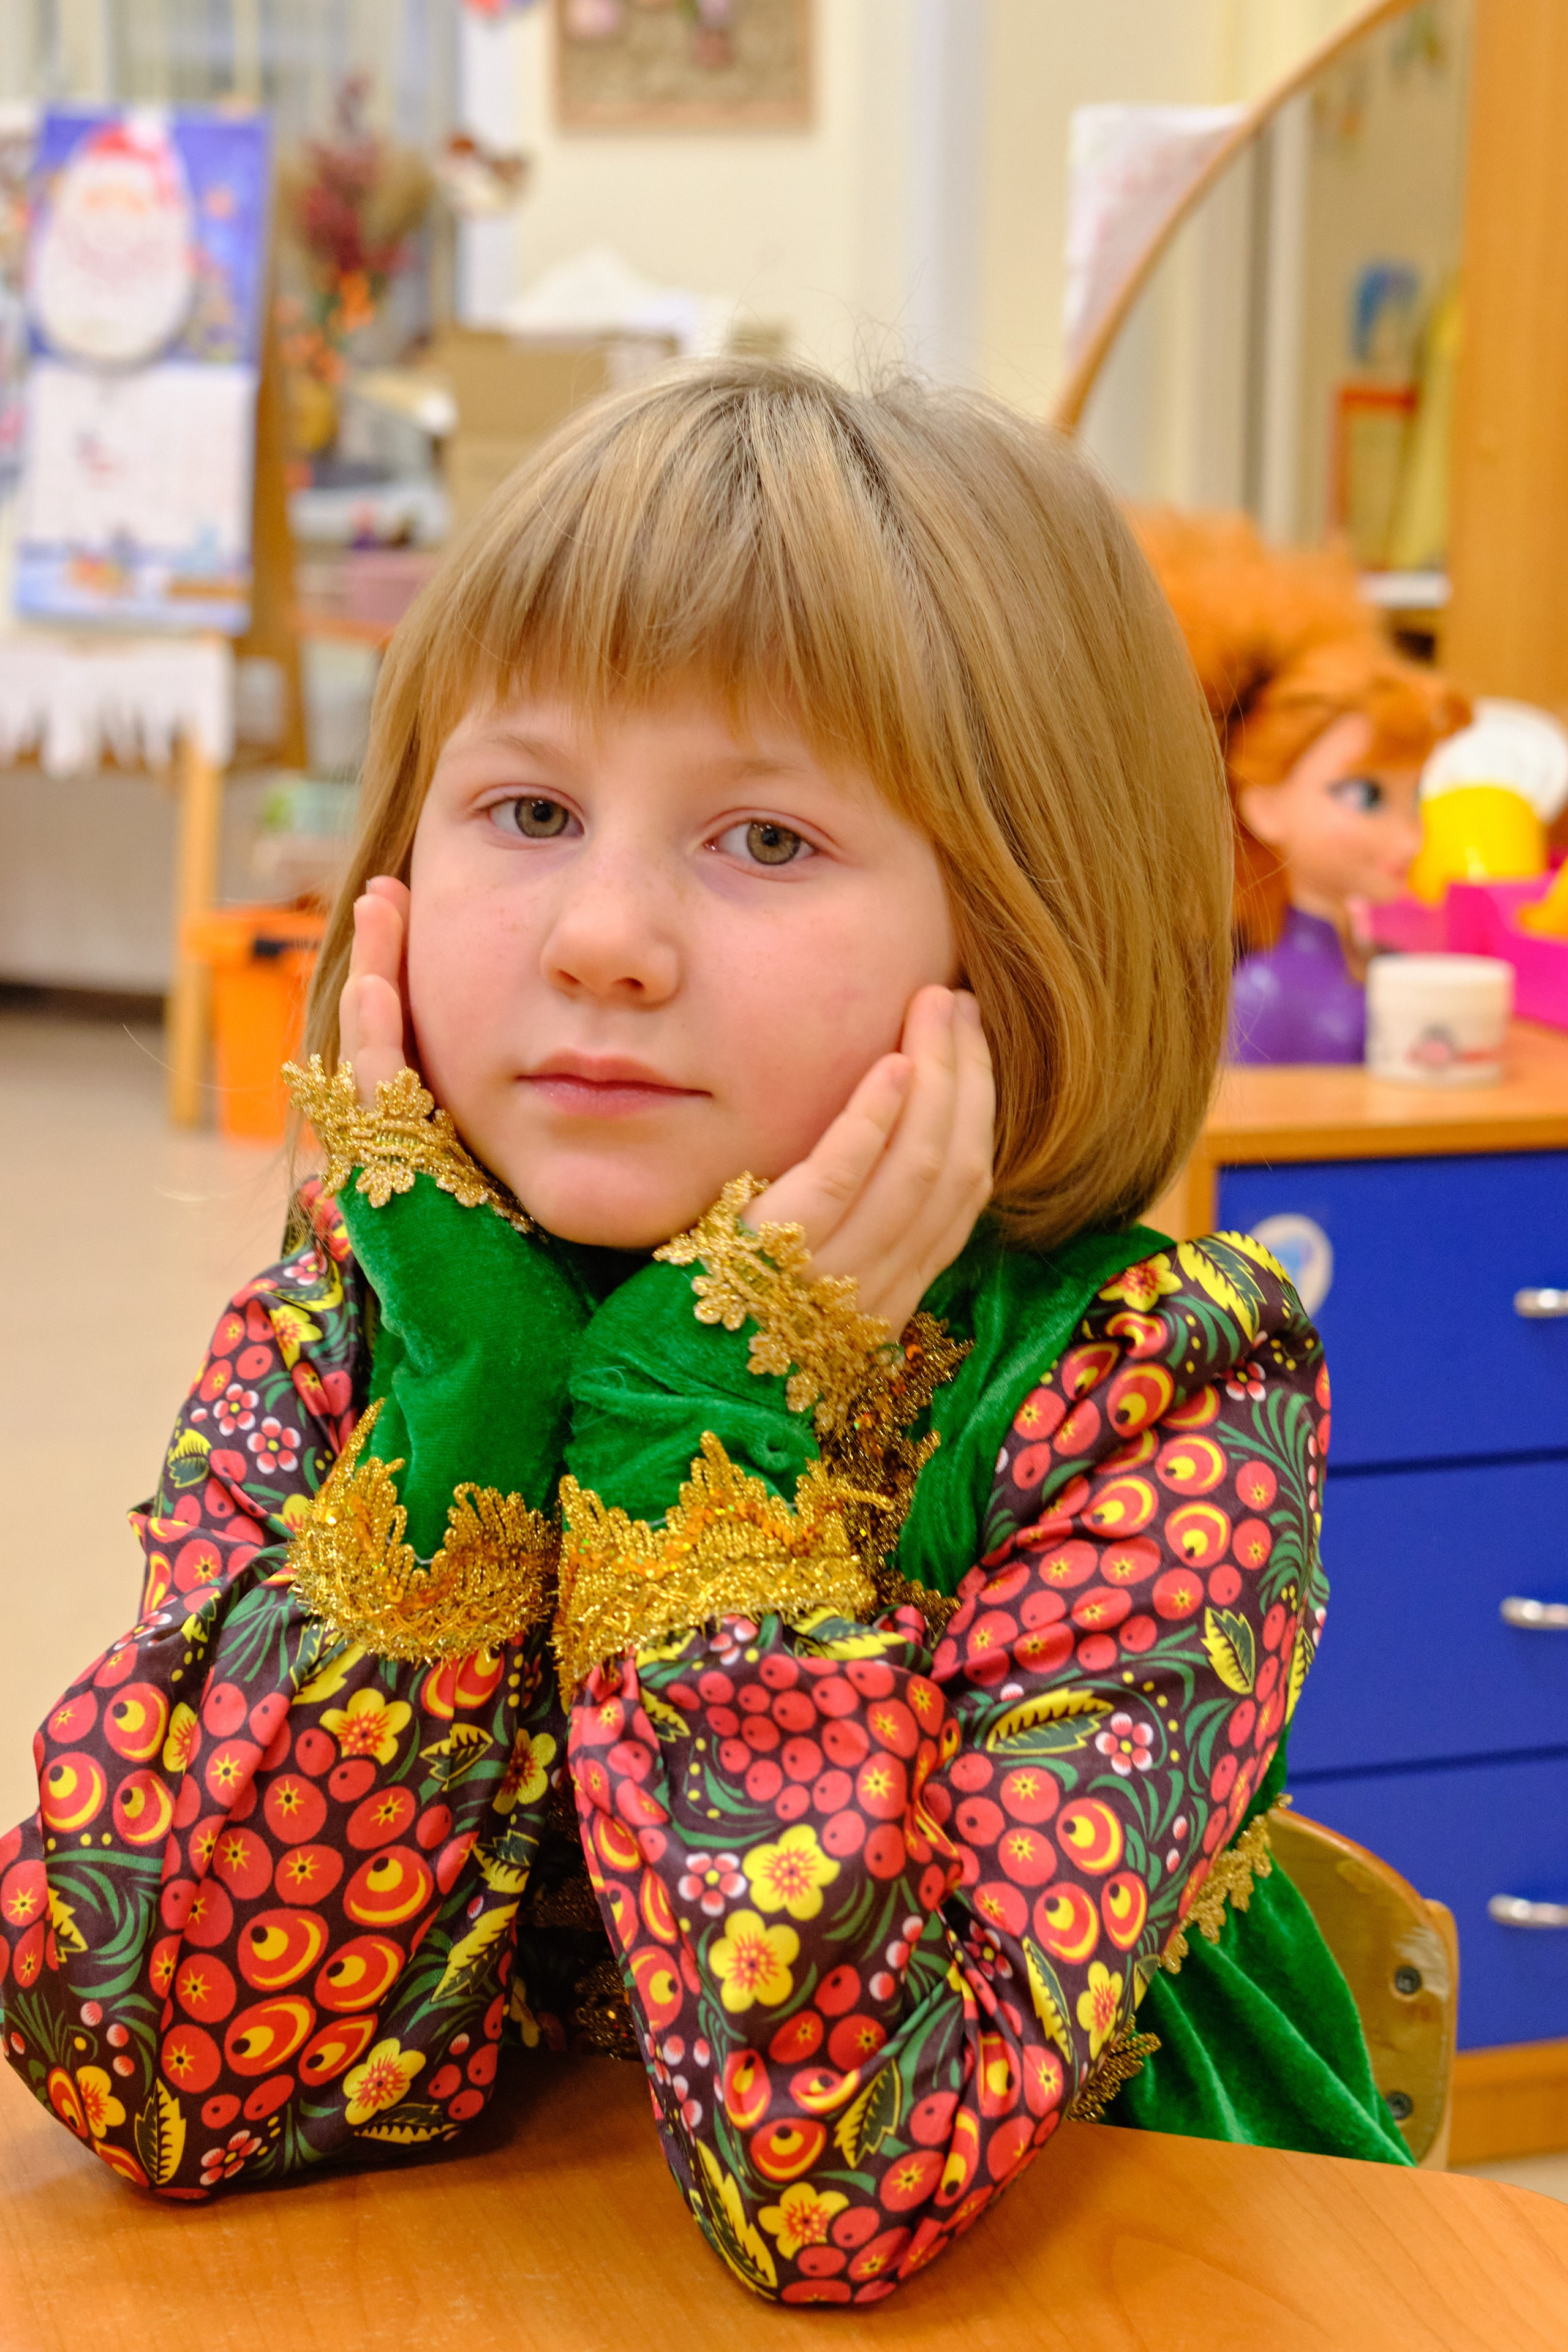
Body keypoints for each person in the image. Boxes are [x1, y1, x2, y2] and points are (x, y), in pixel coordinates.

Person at [0, 364, 1409, 2303]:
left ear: (1021, 927)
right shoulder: (362, 1330)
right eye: (527, 806)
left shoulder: (1146, 1392)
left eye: (761, 839)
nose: (601, 933)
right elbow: (152, 2064)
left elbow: (847, 2186)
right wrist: (475, 1409)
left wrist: (696, 1436)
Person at [1136, 508, 1468, 1063]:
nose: (1409, 840)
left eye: (1414, 799)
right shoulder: (1261, 995)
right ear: (1264, 807)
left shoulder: (1381, 964)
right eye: (1365, 798)